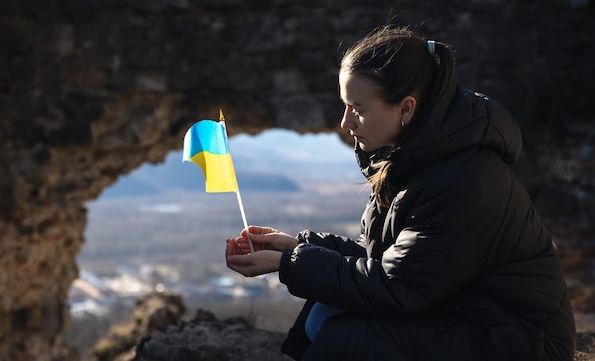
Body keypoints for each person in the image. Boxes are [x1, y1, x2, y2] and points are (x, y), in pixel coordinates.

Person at [225, 24, 576, 360]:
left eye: (358, 109)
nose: (346, 122)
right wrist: (296, 247)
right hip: (463, 312)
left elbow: (397, 286)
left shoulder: (464, 178)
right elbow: (388, 257)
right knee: (325, 311)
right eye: (345, 106)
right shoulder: (414, 159)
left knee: (346, 337)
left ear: (406, 108)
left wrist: (289, 264)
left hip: (518, 338)